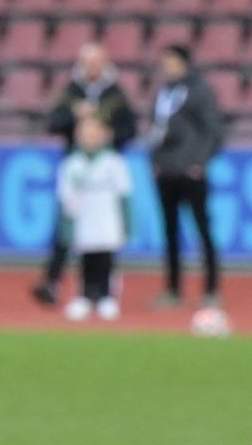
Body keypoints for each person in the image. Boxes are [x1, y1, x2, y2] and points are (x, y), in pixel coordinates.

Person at [33, 41, 139, 306]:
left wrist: (107, 134)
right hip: (76, 168)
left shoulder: (115, 94)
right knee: (66, 225)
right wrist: (73, 115)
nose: (92, 68)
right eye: (88, 63)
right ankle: (53, 281)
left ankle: (104, 288)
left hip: (105, 170)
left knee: (104, 233)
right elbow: (53, 123)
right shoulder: (72, 92)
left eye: (97, 63)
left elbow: (130, 129)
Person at [147, 43, 225, 310]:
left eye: (171, 62)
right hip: (166, 170)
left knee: (202, 230)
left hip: (190, 171)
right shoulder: (164, 93)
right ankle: (172, 289)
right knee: (170, 233)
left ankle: (211, 290)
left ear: (184, 63)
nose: (166, 67)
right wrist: (155, 160)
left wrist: (199, 163)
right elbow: (156, 129)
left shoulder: (200, 91)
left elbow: (213, 130)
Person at [55, 112, 132, 322]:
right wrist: (67, 225)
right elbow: (65, 197)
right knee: (85, 260)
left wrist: (127, 224)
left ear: (104, 135)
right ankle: (85, 296)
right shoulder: (72, 164)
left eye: (93, 134)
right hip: (84, 218)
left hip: (108, 218)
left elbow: (124, 195)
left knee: (106, 259)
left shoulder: (114, 163)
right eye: (84, 134)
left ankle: (107, 297)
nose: (89, 139)